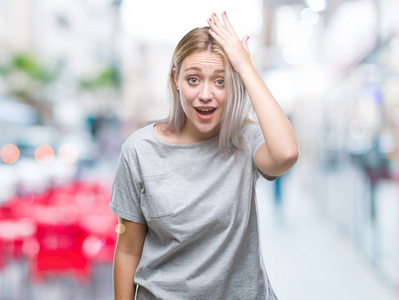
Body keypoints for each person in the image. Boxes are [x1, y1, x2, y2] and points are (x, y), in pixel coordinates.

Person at [109, 12, 299, 300]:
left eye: (220, 81)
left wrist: (245, 67)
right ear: (176, 79)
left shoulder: (244, 140)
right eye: (193, 79)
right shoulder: (139, 151)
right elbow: (128, 250)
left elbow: (286, 153)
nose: (206, 94)